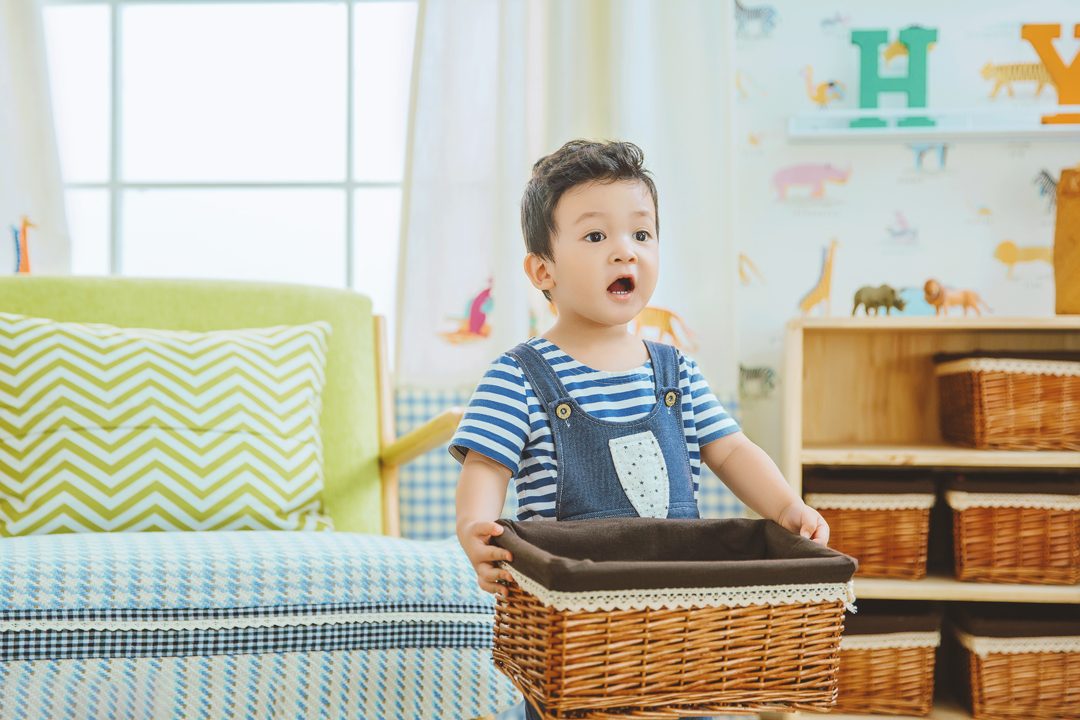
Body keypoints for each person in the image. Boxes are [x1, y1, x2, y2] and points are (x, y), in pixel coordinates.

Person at [451, 140, 829, 719]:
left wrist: (784, 506)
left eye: (642, 235)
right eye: (596, 236)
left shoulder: (675, 369)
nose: (624, 252)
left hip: (680, 615)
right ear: (542, 269)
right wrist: (475, 528)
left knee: (693, 707)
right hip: (575, 623)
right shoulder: (519, 375)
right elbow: (487, 463)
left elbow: (730, 450)